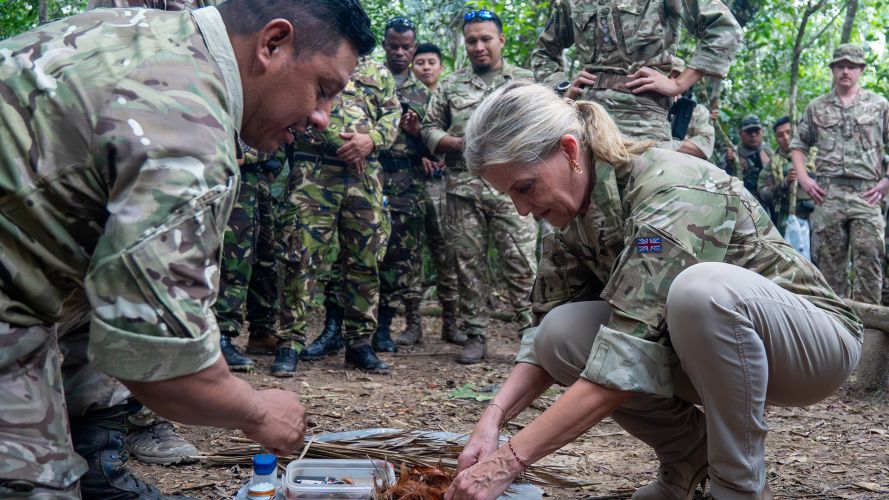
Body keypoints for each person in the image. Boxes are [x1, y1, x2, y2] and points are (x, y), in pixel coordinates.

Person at [0, 0, 375, 497]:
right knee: (32, 488)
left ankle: (89, 462)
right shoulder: (187, 133)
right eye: (323, 90)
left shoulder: (136, 31)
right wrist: (259, 410)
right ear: (272, 44)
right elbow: (161, 362)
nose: (322, 117)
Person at [447, 81, 862, 500]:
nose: (521, 209)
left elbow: (626, 354)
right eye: (509, 195)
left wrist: (508, 462)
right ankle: (688, 455)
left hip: (811, 348)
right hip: (711, 353)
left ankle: (736, 487)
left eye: (525, 187)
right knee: (559, 333)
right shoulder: (569, 218)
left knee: (700, 292)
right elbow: (542, 342)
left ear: (570, 151)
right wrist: (492, 420)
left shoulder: (669, 188)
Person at [421, 10, 538, 364]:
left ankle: (531, 335)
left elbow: (546, 125)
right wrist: (457, 144)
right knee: (468, 264)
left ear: (501, 40)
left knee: (521, 263)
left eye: (486, 38)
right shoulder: (450, 85)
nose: (478, 46)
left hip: (516, 190)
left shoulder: (525, 82)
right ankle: (476, 334)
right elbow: (428, 128)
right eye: (471, 40)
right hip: (464, 189)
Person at [278, 57, 401, 373]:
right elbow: (294, 105)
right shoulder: (315, 60)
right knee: (299, 256)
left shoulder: (378, 71)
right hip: (314, 173)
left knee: (366, 258)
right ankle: (289, 343)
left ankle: (360, 343)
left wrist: (370, 140)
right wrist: (343, 143)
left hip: (365, 177)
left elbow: (391, 113)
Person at [530, 0, 741, 141]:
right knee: (587, 203)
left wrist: (679, 83)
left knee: (646, 198)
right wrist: (562, 89)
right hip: (586, 118)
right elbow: (544, 53)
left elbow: (724, 29)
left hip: (643, 119)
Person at [791, 44, 889, 305]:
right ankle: (834, 327)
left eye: (852, 66)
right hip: (828, 195)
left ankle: (870, 330)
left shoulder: (879, 105)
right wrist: (804, 178)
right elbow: (799, 145)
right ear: (833, 69)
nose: (845, 71)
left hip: (866, 194)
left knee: (869, 258)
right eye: (840, 66)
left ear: (861, 70)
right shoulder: (817, 107)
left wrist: (886, 182)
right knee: (829, 264)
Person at [214, 147, 293, 375]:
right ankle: (222, 335)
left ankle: (262, 331)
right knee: (234, 256)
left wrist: (264, 165)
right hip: (230, 175)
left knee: (264, 257)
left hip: (257, 178)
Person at [375, 17, 429, 348]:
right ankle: (343, 327)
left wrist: (417, 133)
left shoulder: (425, 94)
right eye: (393, 46)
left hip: (407, 182)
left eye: (406, 47)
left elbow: (435, 149)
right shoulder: (367, 81)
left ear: (414, 47)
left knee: (398, 257)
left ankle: (383, 326)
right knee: (359, 253)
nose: (399, 52)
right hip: (370, 175)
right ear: (384, 45)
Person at [757, 117, 814, 235]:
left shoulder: (814, 156)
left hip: (818, 217)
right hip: (789, 220)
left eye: (789, 132)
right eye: (780, 135)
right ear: (776, 139)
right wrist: (783, 184)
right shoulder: (772, 166)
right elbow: (764, 194)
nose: (786, 138)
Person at [725, 115, 773, 198]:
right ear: (740, 134)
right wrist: (730, 163)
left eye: (756, 131)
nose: (753, 135)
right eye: (749, 132)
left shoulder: (768, 152)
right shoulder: (734, 153)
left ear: (762, 132)